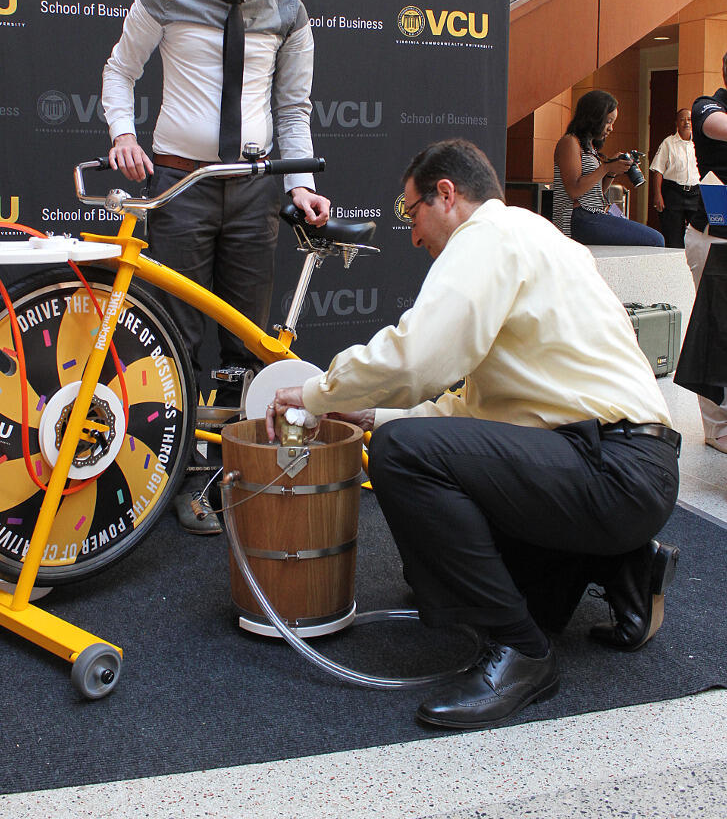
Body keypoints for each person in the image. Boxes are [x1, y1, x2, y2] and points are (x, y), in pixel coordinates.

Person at [267, 139, 680, 731]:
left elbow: (417, 361)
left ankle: (523, 656)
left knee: (401, 460)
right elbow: (480, 417)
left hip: (610, 468)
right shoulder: (536, 238)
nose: (412, 237)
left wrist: (317, 394)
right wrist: (371, 416)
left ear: (447, 194)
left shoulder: (486, 236)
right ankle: (620, 565)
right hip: (627, 465)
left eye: (412, 215)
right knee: (442, 559)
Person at [102, 0, 331, 533]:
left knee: (246, 343)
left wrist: (299, 187)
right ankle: (155, 478)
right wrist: (123, 134)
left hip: (254, 190)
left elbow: (293, 109)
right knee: (168, 339)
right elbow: (120, 71)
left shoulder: (288, 11)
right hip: (178, 188)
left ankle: (225, 480)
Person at [552, 89, 664, 246]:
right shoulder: (569, 142)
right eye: (608, 121)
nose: (611, 128)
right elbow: (574, 190)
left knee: (654, 239)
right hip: (577, 217)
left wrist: (611, 172)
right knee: (655, 240)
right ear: (594, 117)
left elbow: (595, 192)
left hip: (593, 214)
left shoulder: (590, 146)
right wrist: (605, 168)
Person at [683, 51, 727, 452]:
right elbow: (719, 127)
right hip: (713, 236)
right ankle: (716, 429)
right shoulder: (707, 106)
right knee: (714, 332)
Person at [649, 108, 700, 248]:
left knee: (696, 235)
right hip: (674, 193)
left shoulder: (699, 143)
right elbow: (658, 170)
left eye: (689, 119)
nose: (686, 122)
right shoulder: (668, 143)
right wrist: (657, 194)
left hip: (695, 193)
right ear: (677, 123)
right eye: (682, 119)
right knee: (673, 236)